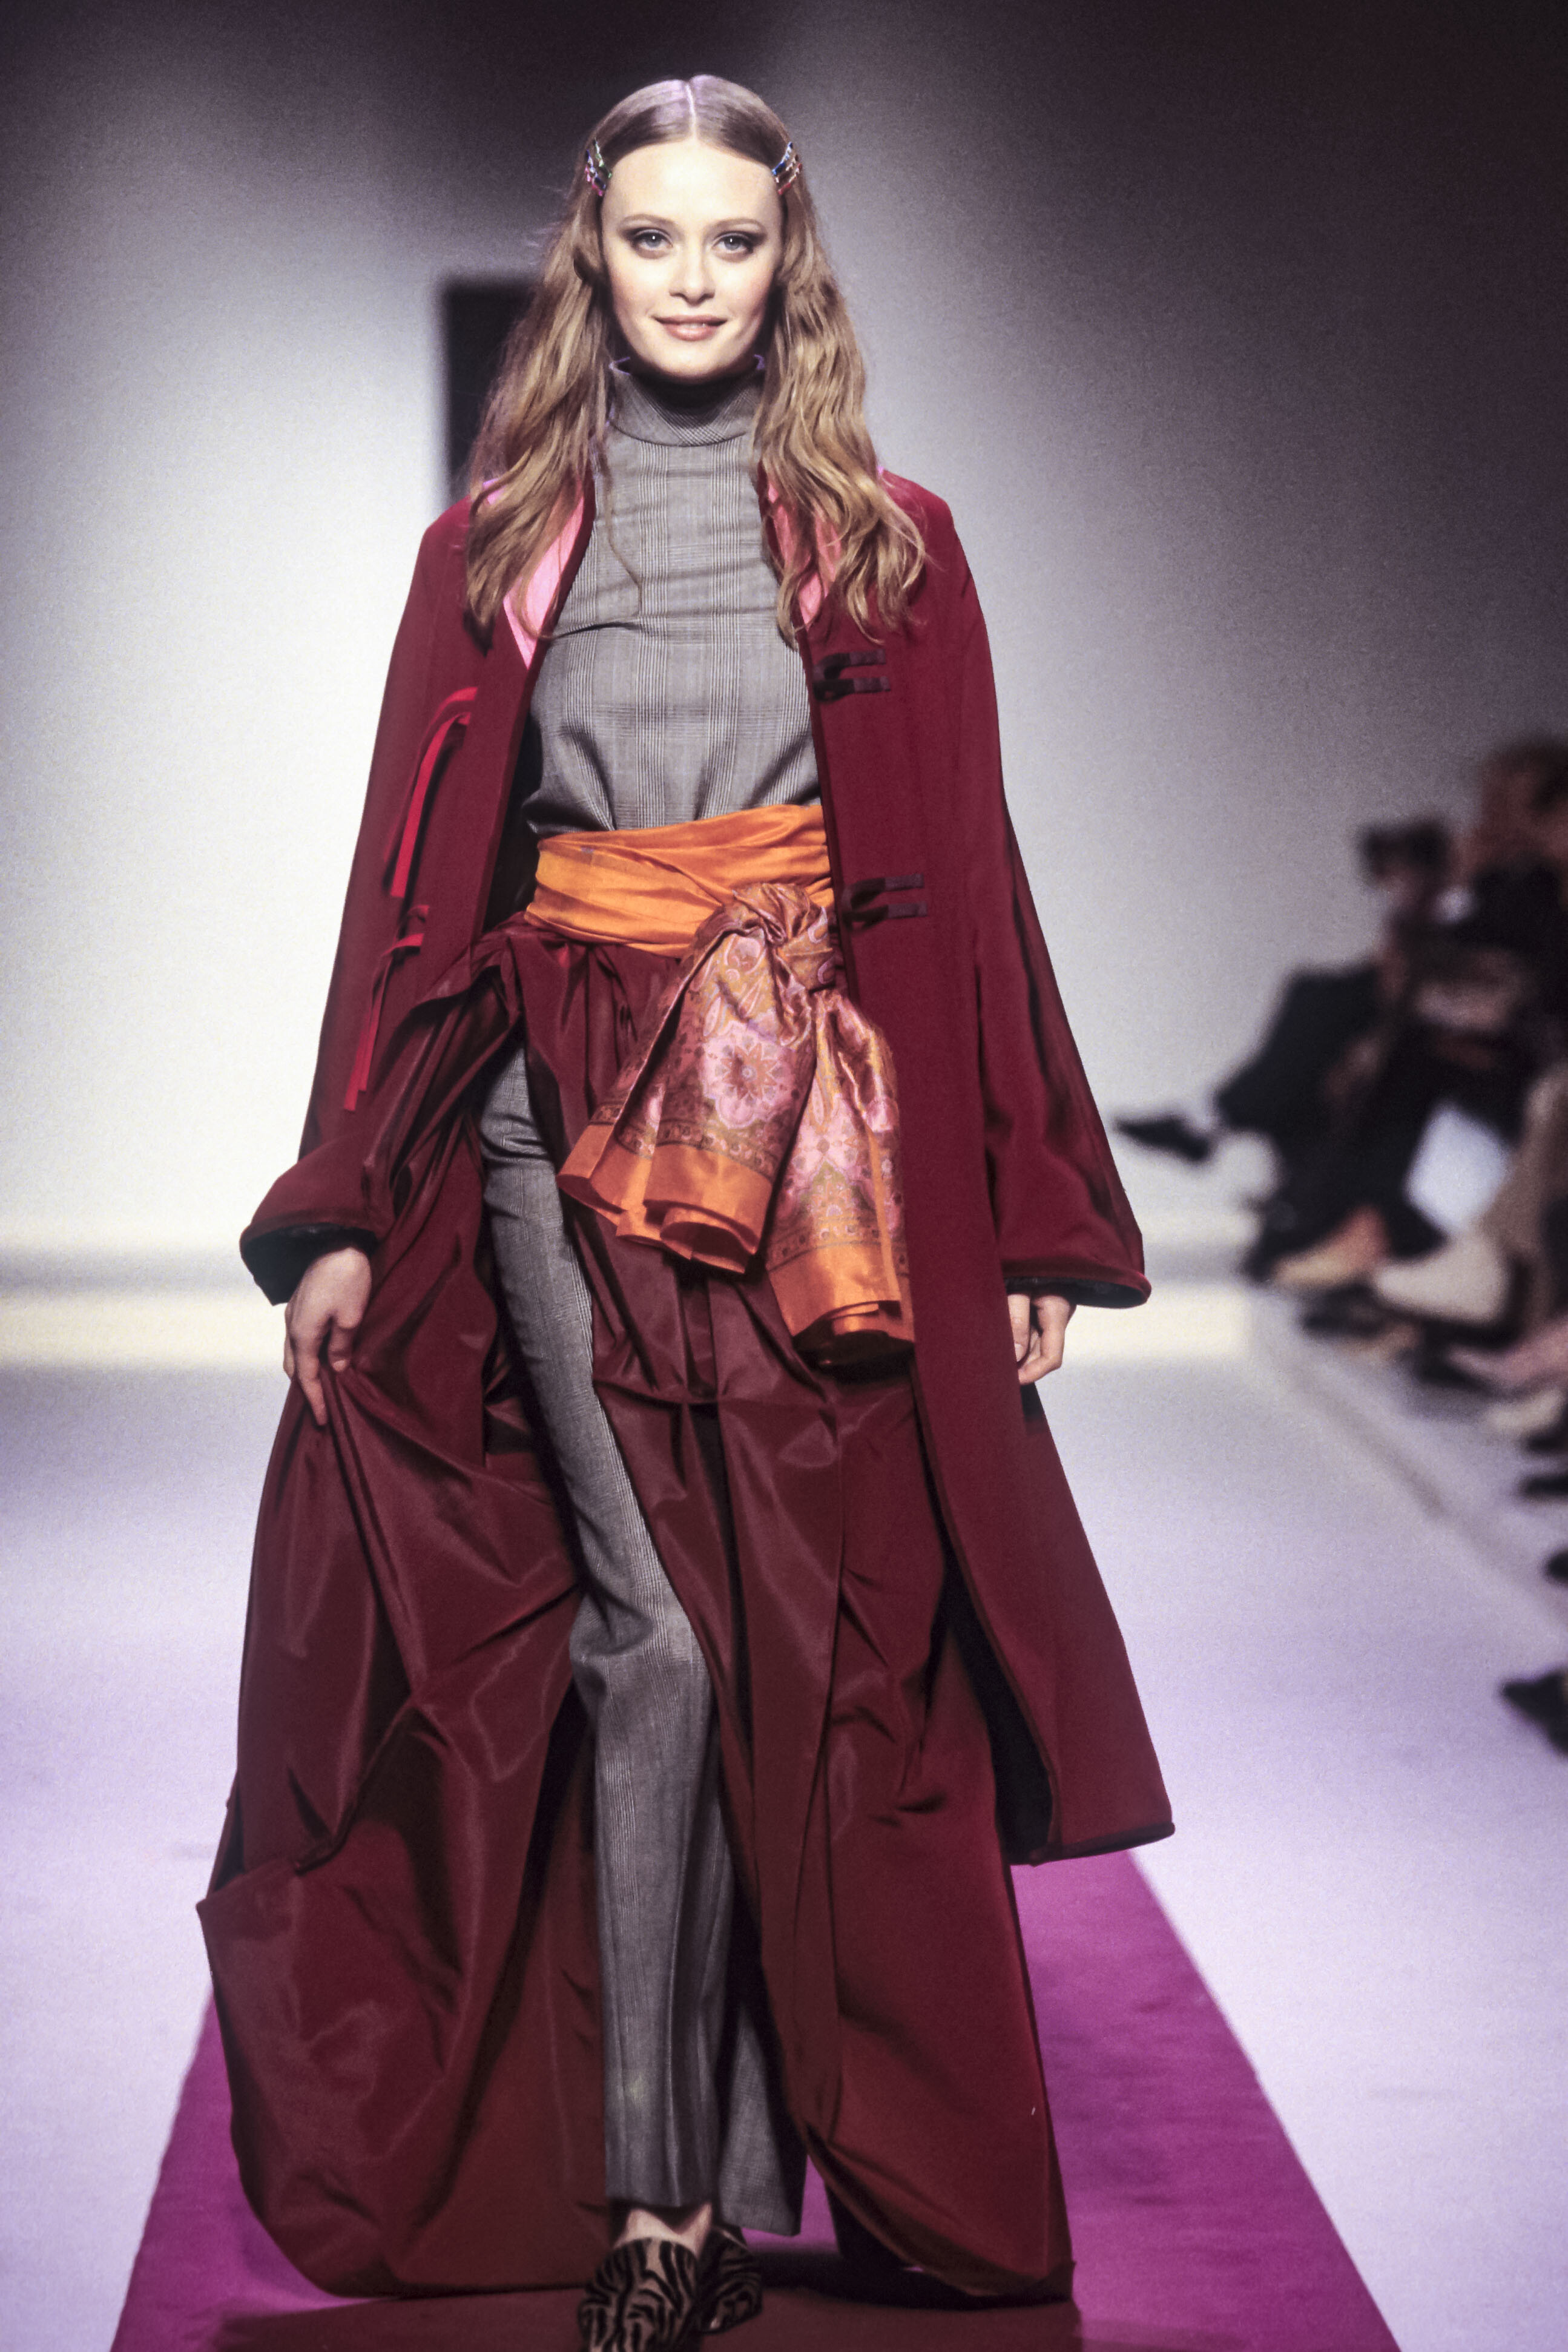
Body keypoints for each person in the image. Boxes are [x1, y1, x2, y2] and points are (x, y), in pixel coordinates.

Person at [200, 77, 1170, 2350]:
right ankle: (660, 2204)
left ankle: (740, 2179)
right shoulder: (492, 552)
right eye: (656, 239)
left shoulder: (888, 544)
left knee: (801, 1647)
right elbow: (402, 894)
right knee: (652, 1630)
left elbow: (974, 886)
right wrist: (340, 1200)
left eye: (736, 240)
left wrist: (1026, 1207)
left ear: (786, 262)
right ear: (595, 255)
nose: (696, 279)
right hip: (546, 1115)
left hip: (814, 1151)